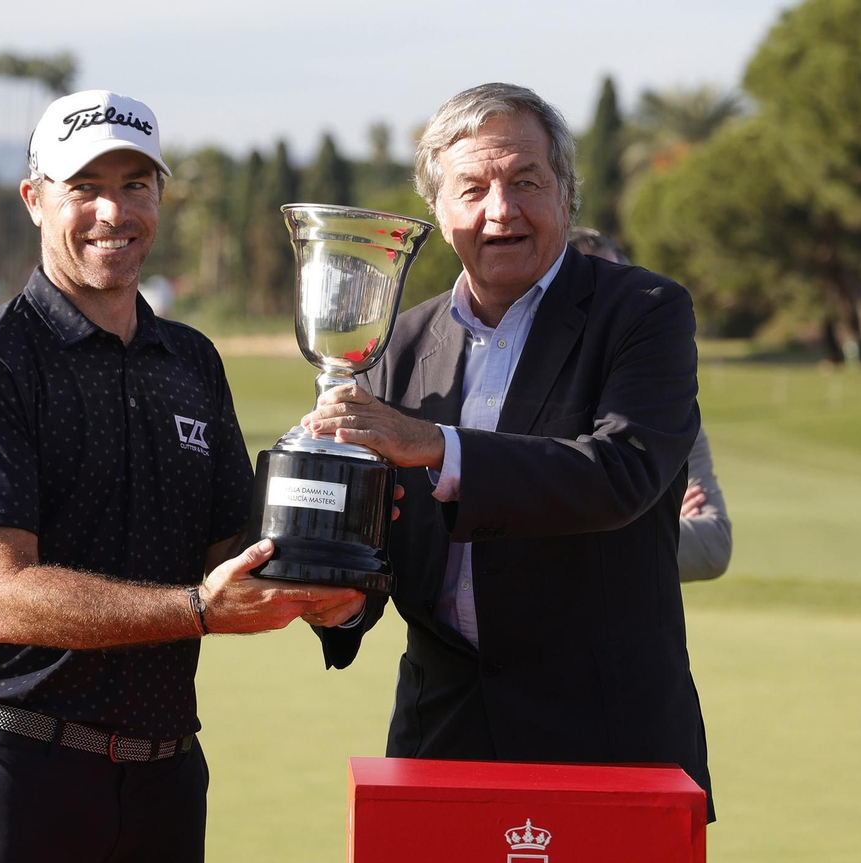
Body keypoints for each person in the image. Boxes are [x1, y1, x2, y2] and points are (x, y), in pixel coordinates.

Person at [0, 89, 364, 863]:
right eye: (85, 187)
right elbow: (4, 598)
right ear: (35, 199)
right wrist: (198, 608)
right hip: (12, 775)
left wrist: (328, 559)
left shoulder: (191, 361)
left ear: (160, 196)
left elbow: (233, 548)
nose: (113, 212)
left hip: (162, 787)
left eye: (135, 185)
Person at [306, 83, 714, 818]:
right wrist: (334, 594)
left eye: (526, 181)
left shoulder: (644, 313)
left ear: (565, 194)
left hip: (605, 740)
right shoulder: (398, 343)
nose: (501, 210)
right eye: (473, 188)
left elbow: (619, 474)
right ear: (439, 210)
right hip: (443, 736)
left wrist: (433, 444)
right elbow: (386, 541)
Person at [566, 227, 732, 582]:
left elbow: (714, 546)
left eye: (616, 290)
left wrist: (560, 535)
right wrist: (657, 521)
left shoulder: (669, 411)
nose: (605, 311)